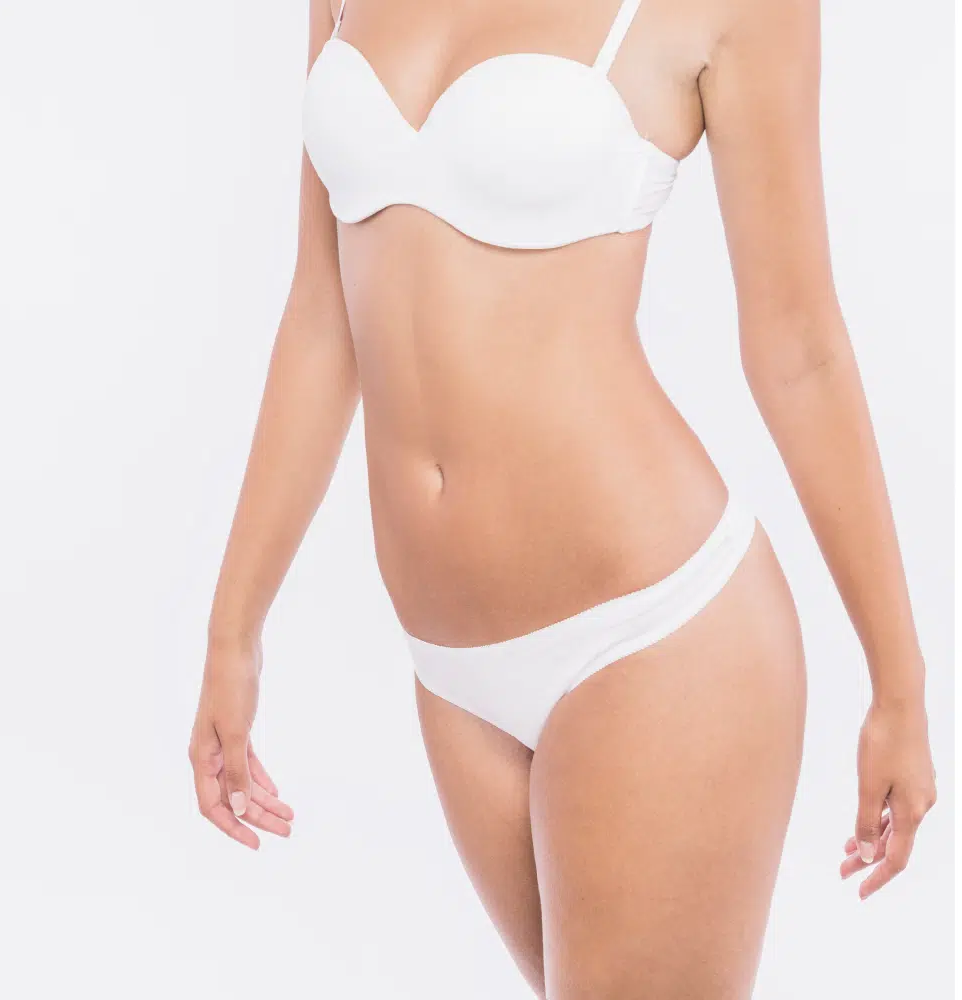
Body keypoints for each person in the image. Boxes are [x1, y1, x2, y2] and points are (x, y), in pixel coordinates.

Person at [188, 0, 938, 995]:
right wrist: (233, 633)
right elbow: (321, 316)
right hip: (451, 668)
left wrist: (898, 684)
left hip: (652, 639)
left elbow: (797, 349)